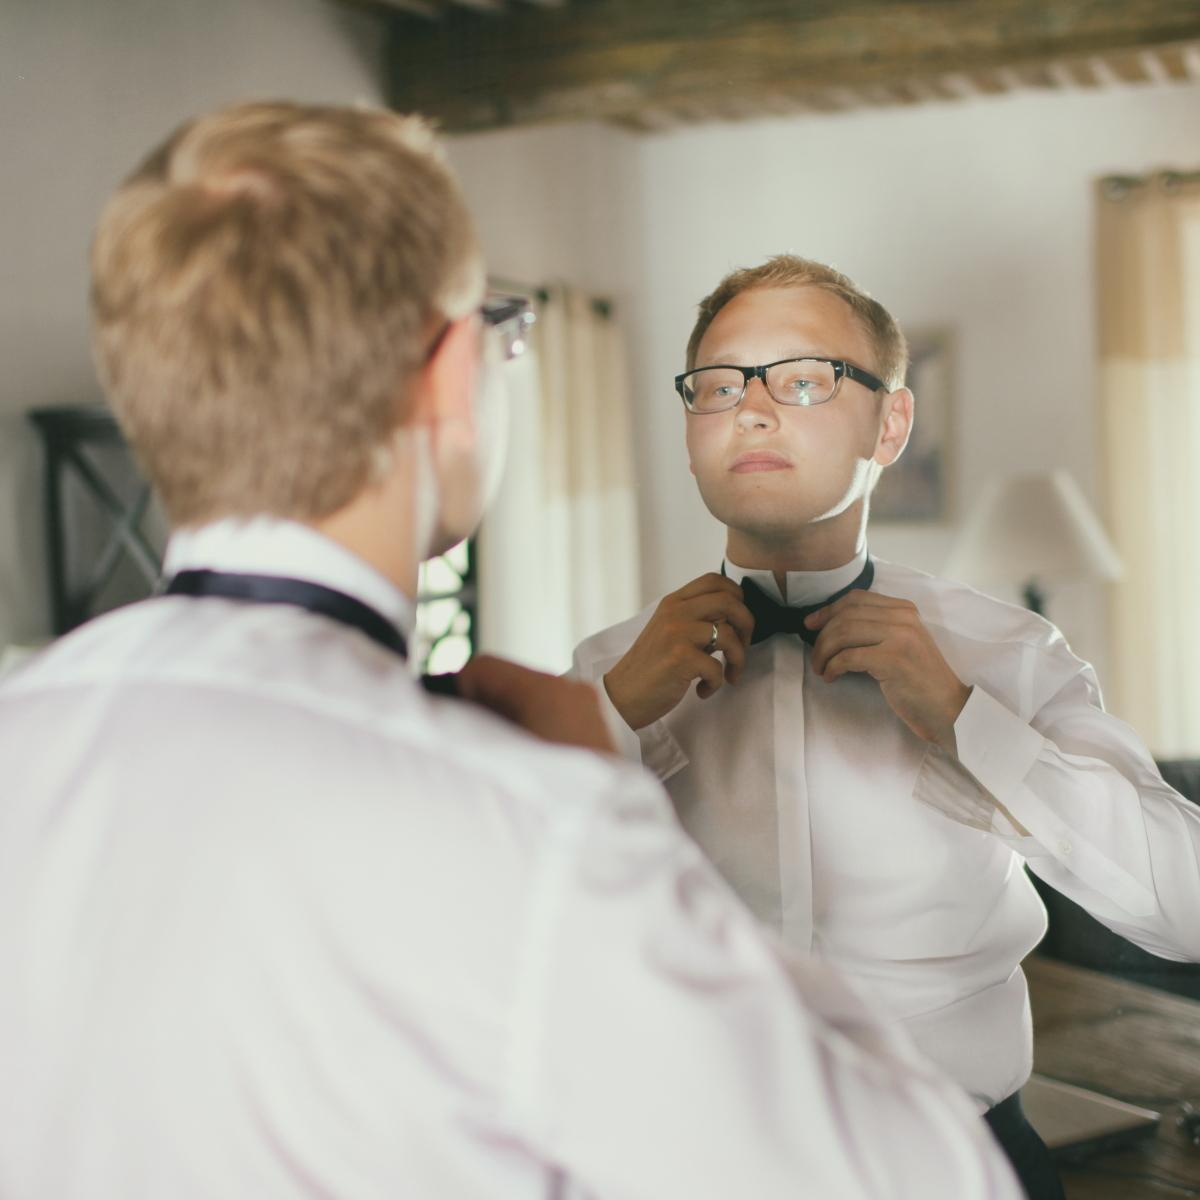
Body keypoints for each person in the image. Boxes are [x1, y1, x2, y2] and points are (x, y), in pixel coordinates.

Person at [0, 105, 1021, 1199]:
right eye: (501, 332)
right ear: (446, 381)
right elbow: (925, 1179)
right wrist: (608, 815)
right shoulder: (535, 829)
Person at [572, 255, 1200, 1200]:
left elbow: (1183, 909)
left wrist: (965, 722)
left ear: (892, 422)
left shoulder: (1010, 655)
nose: (751, 410)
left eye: (803, 380)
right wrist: (610, 719)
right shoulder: (602, 676)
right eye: (717, 385)